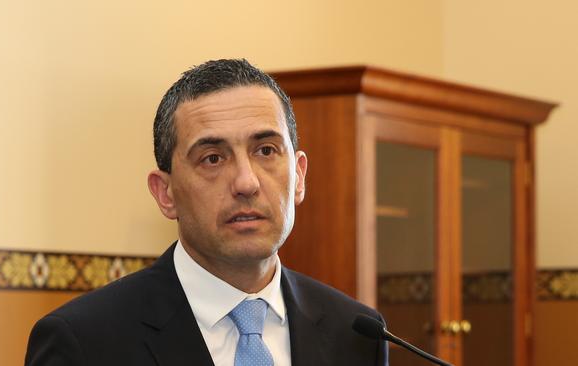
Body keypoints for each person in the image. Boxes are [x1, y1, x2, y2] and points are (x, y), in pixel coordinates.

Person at [25, 59, 388, 366]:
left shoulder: (355, 333)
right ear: (165, 193)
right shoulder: (84, 342)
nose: (246, 182)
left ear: (299, 177)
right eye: (212, 158)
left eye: (265, 151)